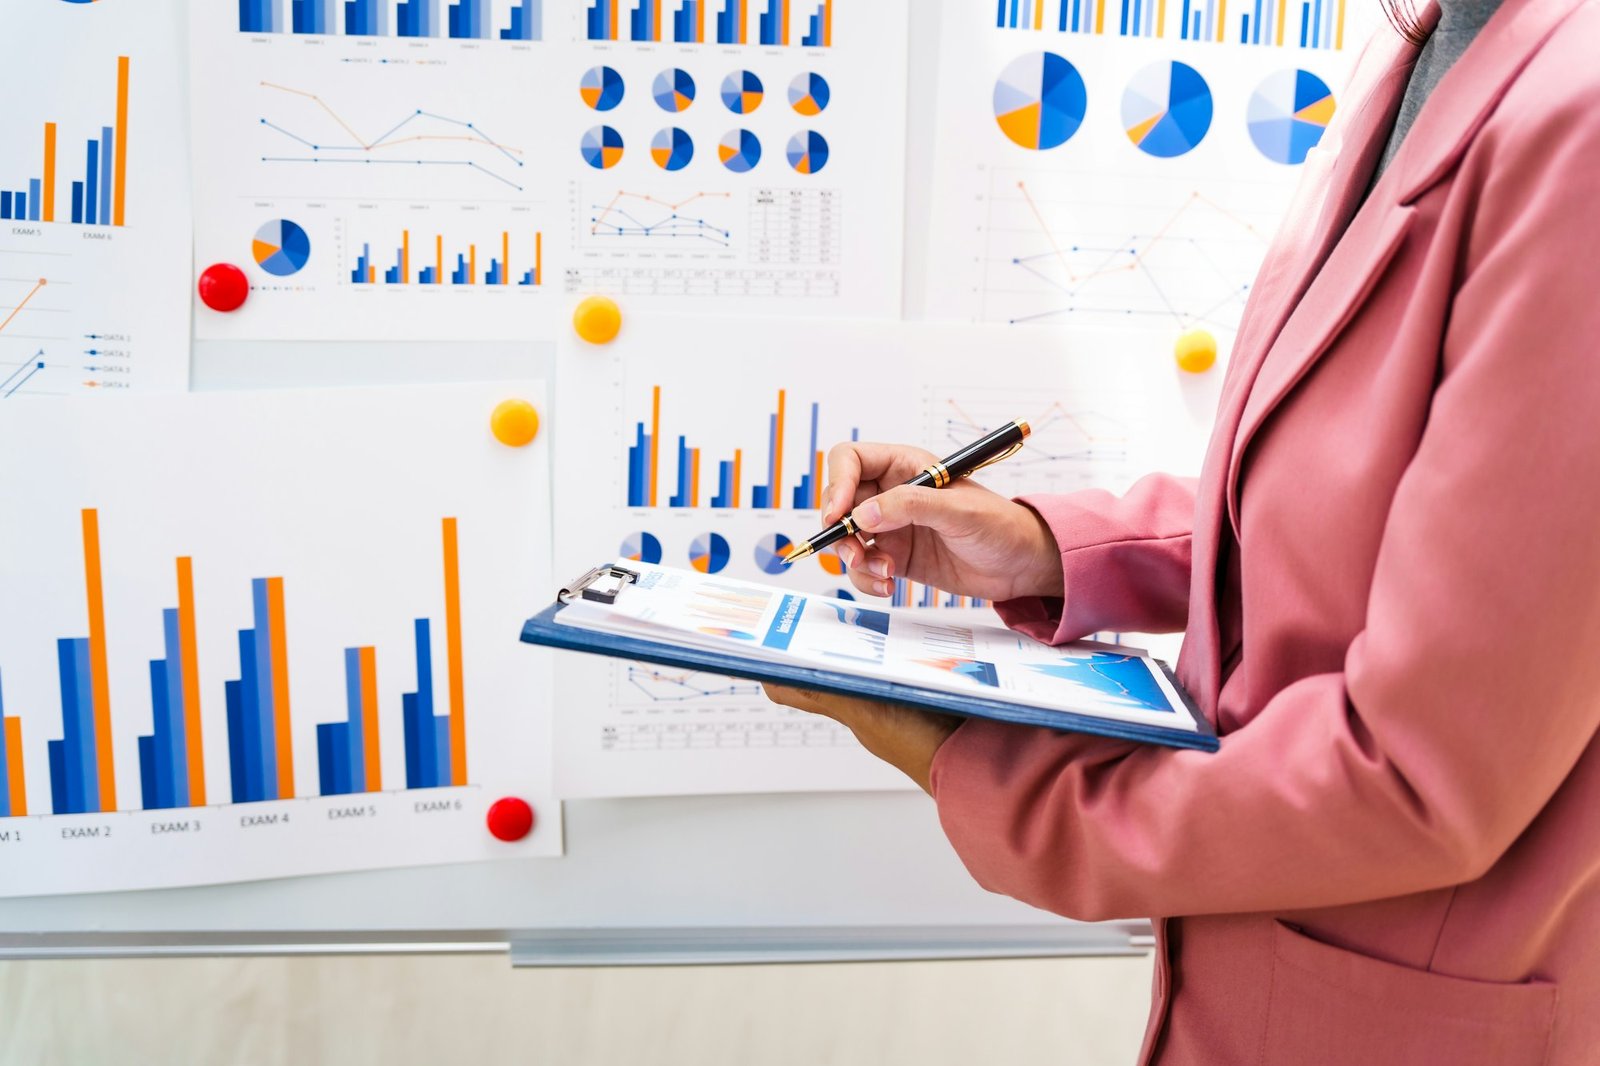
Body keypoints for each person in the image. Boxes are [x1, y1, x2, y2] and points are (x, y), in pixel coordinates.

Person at [765, 0, 1600, 1060]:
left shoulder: (1581, 114)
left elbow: (1422, 772)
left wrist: (993, 782)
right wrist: (1044, 546)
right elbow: (1366, 508)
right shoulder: (1425, 38)